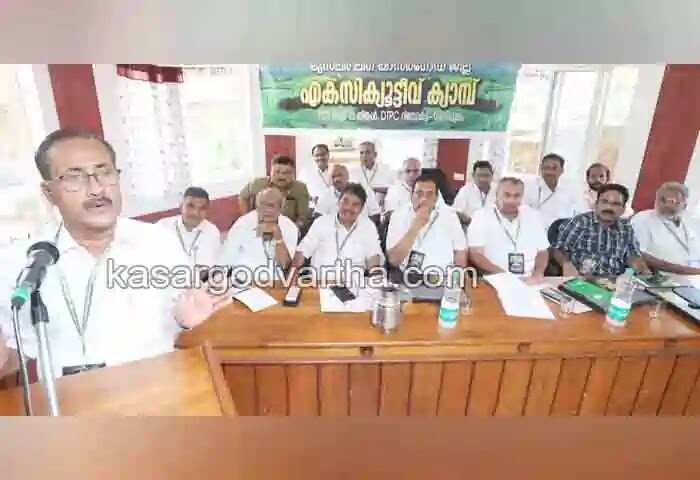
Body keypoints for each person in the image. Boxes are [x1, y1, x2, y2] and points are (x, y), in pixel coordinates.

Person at [0, 129, 226, 379]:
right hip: (71, 399)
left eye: (105, 172)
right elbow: (13, 358)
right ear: (49, 192)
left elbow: (192, 330)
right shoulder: (24, 264)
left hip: (160, 390)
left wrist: (187, 322)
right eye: (74, 177)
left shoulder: (160, 243)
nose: (96, 188)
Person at [552, 183, 651, 277]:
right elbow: (558, 249)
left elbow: (633, 256)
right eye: (604, 202)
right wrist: (566, 264)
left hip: (613, 281)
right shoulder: (580, 222)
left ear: (623, 209)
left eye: (616, 204)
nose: (609, 207)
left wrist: (643, 271)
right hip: (582, 279)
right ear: (596, 204)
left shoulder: (626, 229)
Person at [468, 177, 549, 281]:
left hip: (530, 279)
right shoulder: (481, 216)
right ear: (497, 194)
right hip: (495, 278)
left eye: (517, 196)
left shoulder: (533, 216)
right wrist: (506, 277)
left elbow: (542, 252)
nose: (511, 200)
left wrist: (538, 273)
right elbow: (476, 254)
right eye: (507, 195)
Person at [292, 183, 382, 275]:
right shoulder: (321, 222)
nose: (348, 208)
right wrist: (292, 274)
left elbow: (373, 256)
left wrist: (376, 277)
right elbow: (303, 252)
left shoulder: (368, 226)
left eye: (355, 204)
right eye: (345, 202)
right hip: (320, 280)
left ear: (361, 209)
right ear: (338, 202)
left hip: (354, 282)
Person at [386, 173, 467, 272]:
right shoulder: (398, 216)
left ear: (436, 198)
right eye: (419, 193)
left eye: (429, 194)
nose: (424, 199)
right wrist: (415, 227)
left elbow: (460, 252)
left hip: (443, 275)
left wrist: (456, 278)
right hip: (407, 275)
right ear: (411, 196)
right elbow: (394, 260)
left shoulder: (450, 216)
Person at [218, 187, 298, 278]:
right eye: (262, 205)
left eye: (271, 205)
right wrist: (217, 280)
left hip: (274, 281)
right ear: (256, 206)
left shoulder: (289, 227)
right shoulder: (243, 223)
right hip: (244, 279)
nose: (266, 210)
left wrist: (278, 237)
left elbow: (284, 265)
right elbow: (226, 257)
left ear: (281, 208)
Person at [631, 182, 700, 275]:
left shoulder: (692, 222)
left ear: (684, 205)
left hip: (693, 278)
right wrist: (683, 270)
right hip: (662, 277)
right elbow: (638, 254)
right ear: (655, 200)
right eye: (663, 200)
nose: (667, 205)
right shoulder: (643, 219)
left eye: (674, 201)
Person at [239, 155, 310, 231]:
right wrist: (248, 219)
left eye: (287, 173)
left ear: (293, 174)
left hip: (287, 227)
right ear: (271, 171)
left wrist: (293, 230)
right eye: (277, 172)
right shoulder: (258, 183)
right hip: (260, 225)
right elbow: (243, 196)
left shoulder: (300, 188)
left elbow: (302, 217)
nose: (281, 176)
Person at [156, 187, 221, 268]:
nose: (196, 213)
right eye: (191, 206)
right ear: (181, 206)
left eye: (202, 208)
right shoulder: (163, 226)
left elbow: (212, 266)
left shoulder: (212, 232)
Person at [524, 153, 579, 230]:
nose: (549, 172)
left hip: (561, 232)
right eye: (546, 168)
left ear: (562, 170)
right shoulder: (529, 186)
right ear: (541, 169)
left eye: (554, 168)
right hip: (534, 230)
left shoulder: (571, 189)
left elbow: (579, 214)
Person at [316, 164, 380, 223]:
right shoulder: (326, 194)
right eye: (333, 177)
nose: (337, 179)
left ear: (347, 176)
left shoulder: (365, 190)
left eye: (340, 175)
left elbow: (375, 214)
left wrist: (364, 227)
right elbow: (318, 215)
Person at [349, 141, 395, 208]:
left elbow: (392, 189)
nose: (364, 156)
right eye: (361, 153)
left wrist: (375, 189)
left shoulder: (386, 170)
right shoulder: (353, 172)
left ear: (375, 154)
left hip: (380, 207)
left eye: (367, 152)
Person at [453, 160, 497, 226]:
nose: (483, 179)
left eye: (486, 175)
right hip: (470, 227)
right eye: (479, 175)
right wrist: (469, 221)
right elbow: (456, 212)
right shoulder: (465, 191)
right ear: (473, 175)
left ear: (492, 175)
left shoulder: (498, 190)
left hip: (493, 228)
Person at [297, 143, 332, 208]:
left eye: (323, 154)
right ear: (313, 157)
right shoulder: (305, 173)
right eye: (317, 155)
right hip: (312, 209)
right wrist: (311, 198)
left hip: (333, 209)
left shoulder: (335, 171)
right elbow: (298, 192)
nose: (320, 157)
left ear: (328, 155)